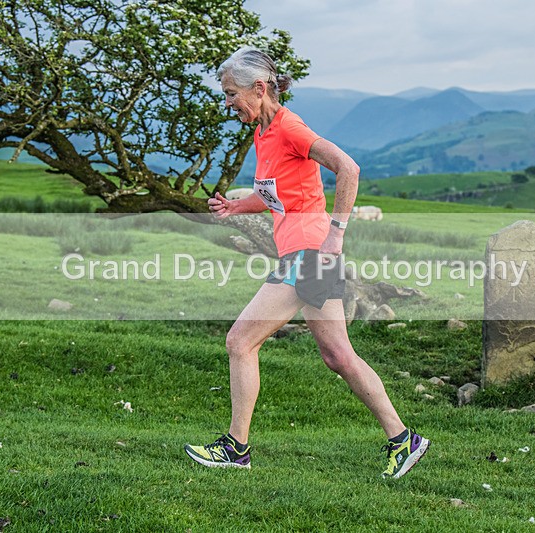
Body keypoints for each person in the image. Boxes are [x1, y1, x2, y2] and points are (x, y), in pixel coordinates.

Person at [184, 47, 429, 479]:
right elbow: (272, 195)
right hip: (308, 254)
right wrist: (234, 208)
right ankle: (402, 439)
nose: (227, 103)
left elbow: (348, 168)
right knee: (338, 355)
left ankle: (236, 447)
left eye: (230, 94)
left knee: (240, 341)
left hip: (309, 255)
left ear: (259, 88)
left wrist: (337, 230)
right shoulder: (262, 132)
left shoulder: (290, 127)